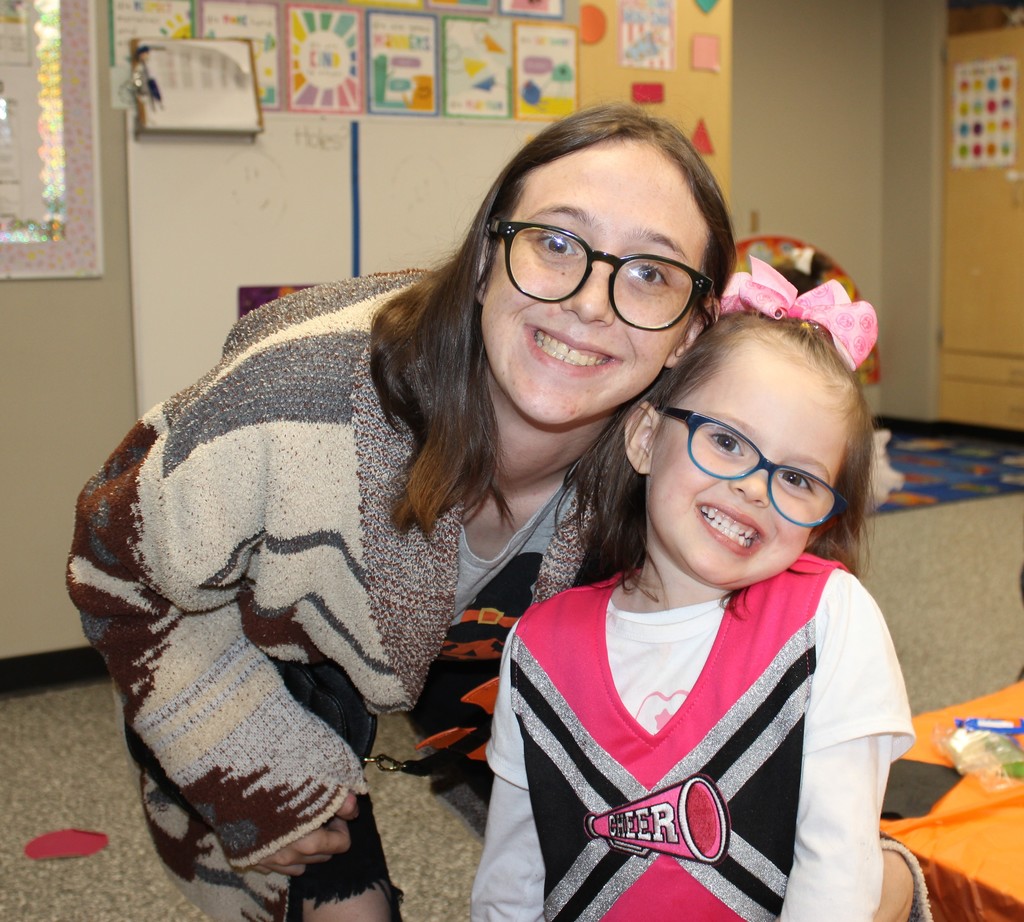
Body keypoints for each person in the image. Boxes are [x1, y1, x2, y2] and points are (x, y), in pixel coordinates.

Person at [65, 104, 920, 922]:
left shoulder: (660, 457)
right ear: (485, 257)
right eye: (556, 242)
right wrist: (258, 775)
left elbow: (603, 735)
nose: (591, 302)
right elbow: (116, 562)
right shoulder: (301, 394)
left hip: (481, 658)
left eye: (651, 272)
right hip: (275, 658)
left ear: (691, 332)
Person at [472, 258, 918, 920]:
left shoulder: (829, 620)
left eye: (797, 479)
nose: (753, 488)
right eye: (727, 442)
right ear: (648, 437)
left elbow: (838, 876)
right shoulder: (539, 647)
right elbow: (512, 878)